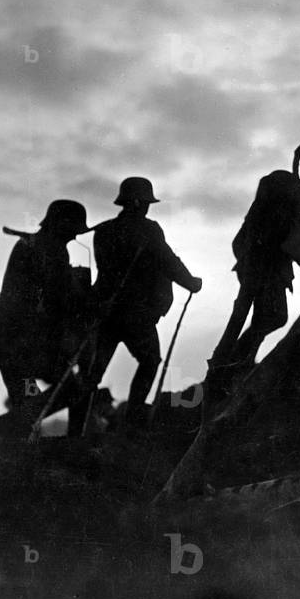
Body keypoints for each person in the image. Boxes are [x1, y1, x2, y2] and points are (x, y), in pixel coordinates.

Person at [86, 177, 202, 427]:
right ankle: (134, 420)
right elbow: (168, 261)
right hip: (135, 312)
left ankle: (80, 427)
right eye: (146, 202)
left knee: (93, 372)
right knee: (150, 361)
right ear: (137, 202)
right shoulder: (148, 230)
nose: (148, 207)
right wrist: (190, 282)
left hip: (105, 311)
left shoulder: (103, 231)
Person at [211, 162, 300, 369]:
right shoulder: (288, 209)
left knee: (262, 316)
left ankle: (237, 358)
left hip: (256, 270)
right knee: (272, 316)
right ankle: (236, 358)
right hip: (267, 272)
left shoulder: (267, 207)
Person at [0, 200, 91, 425]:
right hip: (26, 344)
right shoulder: (51, 250)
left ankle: (13, 430)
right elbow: (53, 298)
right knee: (71, 391)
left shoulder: (36, 246)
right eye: (73, 230)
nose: (75, 237)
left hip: (10, 341)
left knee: (27, 399)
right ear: (61, 224)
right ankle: (7, 427)